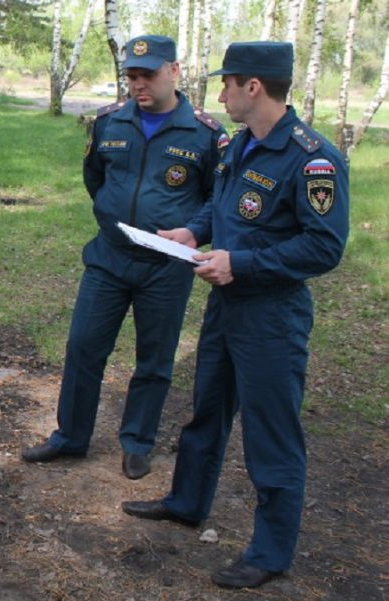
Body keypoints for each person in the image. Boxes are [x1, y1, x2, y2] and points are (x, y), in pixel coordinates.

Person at [121, 42, 349, 589]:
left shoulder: (311, 158)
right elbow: (220, 205)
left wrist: (239, 262)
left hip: (272, 316)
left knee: (271, 435)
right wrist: (193, 233)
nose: (219, 92)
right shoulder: (240, 144)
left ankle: (270, 553)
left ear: (254, 87)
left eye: (227, 83)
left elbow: (324, 248)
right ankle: (187, 501)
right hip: (226, 306)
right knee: (207, 410)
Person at [22, 35, 228, 479]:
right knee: (83, 348)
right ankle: (71, 437)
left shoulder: (206, 133)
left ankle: (137, 442)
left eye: (148, 75)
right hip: (109, 259)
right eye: (131, 76)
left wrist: (194, 231)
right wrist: (116, 217)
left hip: (166, 266)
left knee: (154, 359)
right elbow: (95, 178)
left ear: (173, 71)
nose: (138, 84)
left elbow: (219, 196)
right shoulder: (109, 123)